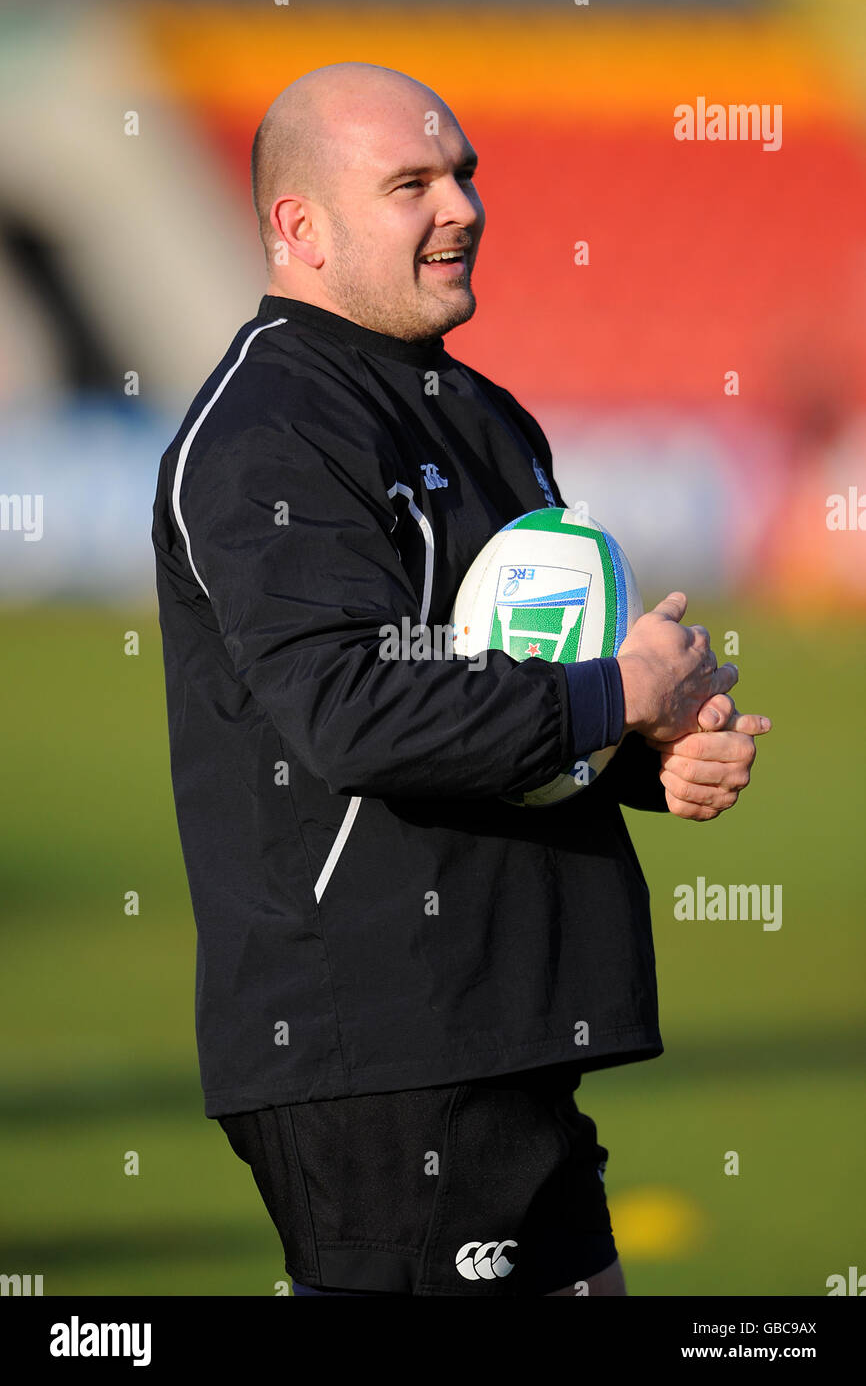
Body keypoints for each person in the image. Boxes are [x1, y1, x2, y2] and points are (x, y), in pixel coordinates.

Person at [151, 63, 770, 1297]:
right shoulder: (269, 427)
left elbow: (511, 690)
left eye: (465, 174)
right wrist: (615, 697)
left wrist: (651, 753)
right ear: (299, 227)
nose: (462, 207)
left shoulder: (482, 413)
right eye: (410, 184)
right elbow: (352, 713)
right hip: (379, 1043)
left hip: (505, 1020)